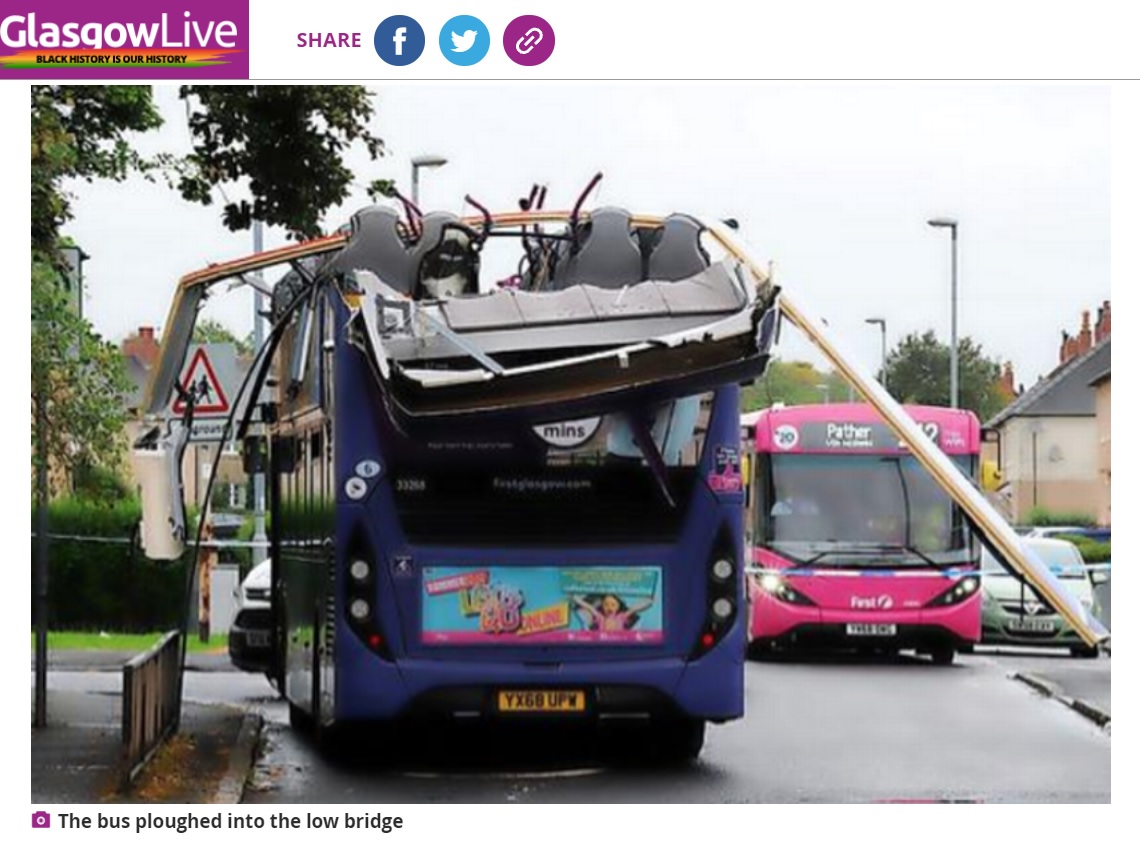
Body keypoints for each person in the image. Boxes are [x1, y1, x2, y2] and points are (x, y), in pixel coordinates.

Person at [573, 593, 655, 632]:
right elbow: (590, 608)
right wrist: (577, 600)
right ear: (602, 606)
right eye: (606, 604)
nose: (609, 607)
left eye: (613, 604)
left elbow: (634, 609)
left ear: (618, 606)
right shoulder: (600, 618)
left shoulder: (621, 617)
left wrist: (648, 602)